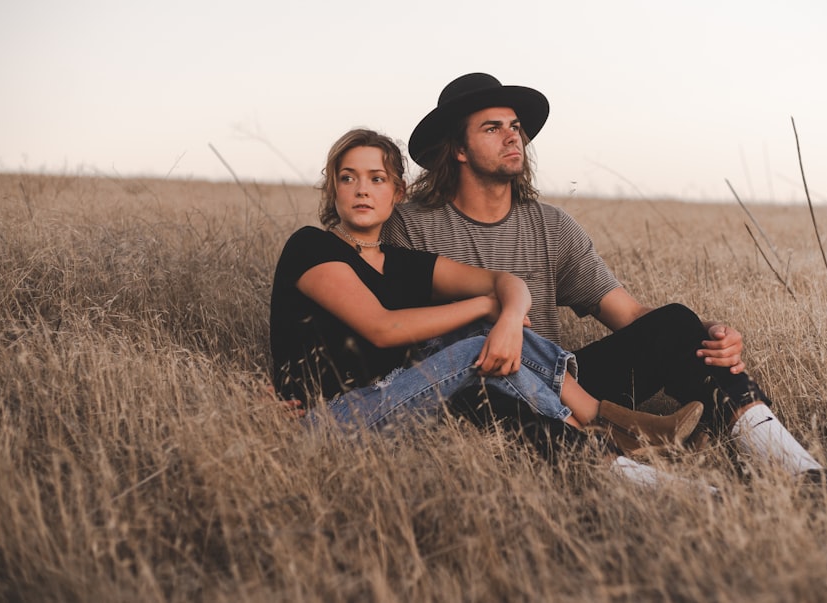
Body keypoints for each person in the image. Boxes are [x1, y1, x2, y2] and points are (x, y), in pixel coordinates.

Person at [382, 73, 823, 480]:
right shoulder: (411, 226)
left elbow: (628, 313)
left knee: (675, 322)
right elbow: (396, 337)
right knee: (479, 394)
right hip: (478, 387)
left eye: (515, 126)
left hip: (563, 383)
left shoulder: (551, 226)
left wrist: (703, 334)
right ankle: (646, 479)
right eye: (492, 128)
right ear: (458, 149)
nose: (512, 136)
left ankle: (794, 465)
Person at [269, 128, 711, 488]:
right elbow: (383, 328)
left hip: (400, 399)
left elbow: (509, 284)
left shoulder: (403, 263)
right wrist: (489, 308)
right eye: (347, 178)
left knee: (485, 332)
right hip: (330, 418)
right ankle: (605, 428)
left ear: (397, 192)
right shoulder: (310, 246)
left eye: (376, 179)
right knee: (474, 339)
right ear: (333, 188)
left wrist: (509, 316)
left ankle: (611, 434)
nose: (361, 190)